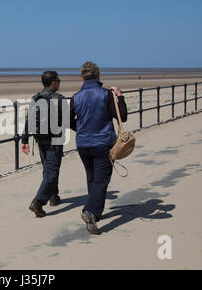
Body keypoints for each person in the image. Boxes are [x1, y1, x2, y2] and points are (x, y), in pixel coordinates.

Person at [70, 61, 128, 235]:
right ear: (98, 76)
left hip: (83, 144)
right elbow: (122, 117)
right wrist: (120, 96)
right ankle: (90, 211)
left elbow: (66, 120)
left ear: (82, 77)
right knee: (101, 180)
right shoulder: (106, 94)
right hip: (102, 142)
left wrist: (81, 128)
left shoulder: (76, 96)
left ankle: (95, 214)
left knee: (92, 178)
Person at [21, 71, 66, 218]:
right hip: (55, 141)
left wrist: (24, 140)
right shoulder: (59, 99)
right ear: (53, 82)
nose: (60, 82)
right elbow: (67, 121)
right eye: (58, 80)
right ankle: (38, 202)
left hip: (40, 140)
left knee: (48, 169)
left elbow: (29, 120)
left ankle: (53, 196)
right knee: (52, 173)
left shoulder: (36, 98)